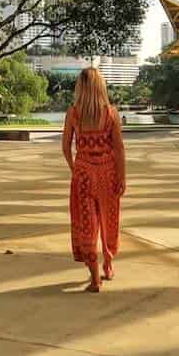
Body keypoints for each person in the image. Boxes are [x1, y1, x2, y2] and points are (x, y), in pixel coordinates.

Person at [62, 67, 126, 293]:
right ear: (101, 87)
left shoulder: (74, 113)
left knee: (87, 224)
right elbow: (119, 149)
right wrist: (122, 177)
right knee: (108, 222)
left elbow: (65, 148)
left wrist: (75, 168)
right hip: (108, 174)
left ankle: (94, 278)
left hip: (84, 175)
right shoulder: (111, 113)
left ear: (80, 87)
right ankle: (108, 262)